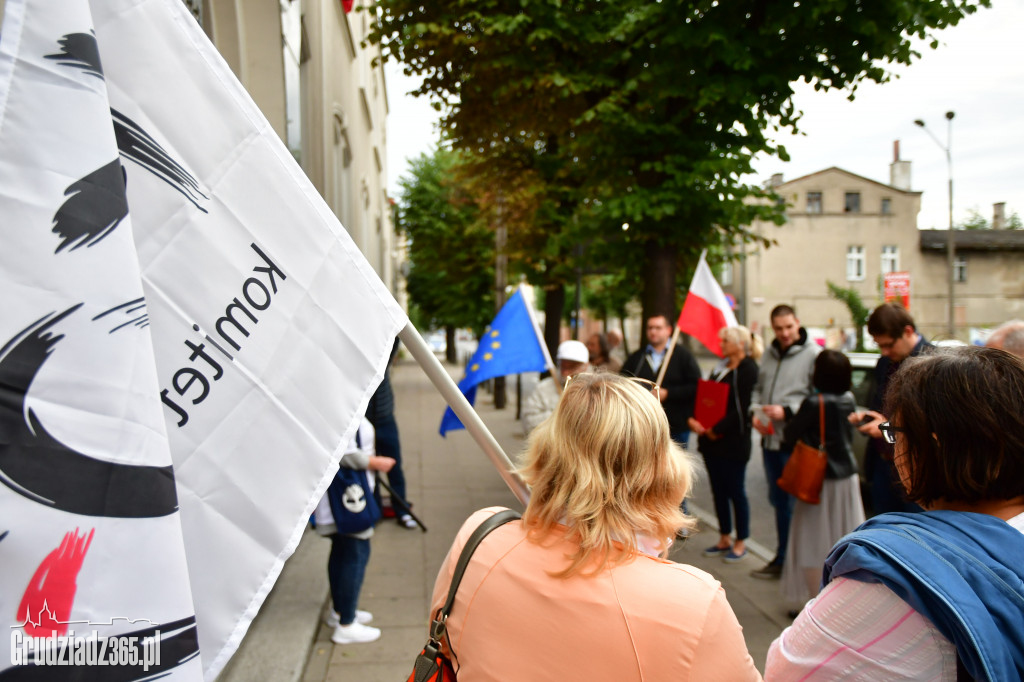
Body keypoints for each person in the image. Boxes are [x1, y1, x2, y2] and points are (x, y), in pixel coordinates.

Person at [429, 373, 763, 680]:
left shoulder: (480, 536)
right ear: (663, 470)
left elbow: (446, 647)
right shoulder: (694, 603)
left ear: (547, 453)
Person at [767, 347, 1024, 680]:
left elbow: (787, 670)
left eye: (895, 434)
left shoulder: (889, 586)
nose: (893, 447)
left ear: (929, 448)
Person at [778, 350, 865, 608]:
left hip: (818, 480)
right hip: (846, 477)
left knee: (812, 540)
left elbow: (790, 435)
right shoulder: (849, 399)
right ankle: (844, 599)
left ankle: (816, 602)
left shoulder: (814, 402)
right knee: (845, 535)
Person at [749, 304, 820, 579]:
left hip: (794, 442)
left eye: (789, 327)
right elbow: (758, 387)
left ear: (797, 323)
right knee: (778, 503)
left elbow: (817, 396)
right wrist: (755, 411)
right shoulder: (768, 353)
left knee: (794, 507)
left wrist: (788, 410)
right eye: (778, 329)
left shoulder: (814, 354)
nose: (784, 333)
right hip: (769, 440)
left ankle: (794, 565)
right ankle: (781, 559)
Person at [313, 418, 396, 644]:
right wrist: (377, 463)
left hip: (339, 496)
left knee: (342, 551)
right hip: (347, 499)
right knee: (356, 553)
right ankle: (346, 624)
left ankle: (341, 611)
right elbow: (346, 453)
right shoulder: (342, 401)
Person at [688, 325, 762, 563]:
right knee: (718, 492)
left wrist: (715, 429)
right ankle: (724, 537)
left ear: (740, 343)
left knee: (735, 492)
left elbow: (741, 409)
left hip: (732, 442)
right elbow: (708, 398)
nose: (721, 345)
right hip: (711, 442)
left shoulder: (748, 368)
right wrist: (696, 420)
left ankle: (741, 541)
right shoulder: (721, 367)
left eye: (726, 341)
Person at [850, 302, 932, 515]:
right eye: (880, 346)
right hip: (883, 464)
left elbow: (933, 424)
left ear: (908, 331)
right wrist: (869, 418)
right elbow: (882, 406)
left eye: (888, 345)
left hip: (918, 470)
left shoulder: (936, 364)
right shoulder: (885, 362)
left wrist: (886, 428)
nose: (885, 352)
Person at [621, 313, 701, 446]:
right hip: (643, 425)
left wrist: (668, 393)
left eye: (658, 328)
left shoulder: (683, 356)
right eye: (650, 328)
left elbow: (695, 386)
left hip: (675, 425)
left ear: (668, 330)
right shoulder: (637, 357)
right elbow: (623, 382)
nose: (653, 331)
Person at [365, 339, 416, 529]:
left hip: (385, 418)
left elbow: (394, 338)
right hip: (364, 422)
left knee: (394, 465)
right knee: (370, 468)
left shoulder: (382, 353)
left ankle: (401, 510)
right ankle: (374, 509)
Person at [521, 339, 590, 434]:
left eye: (572, 367)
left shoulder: (598, 390)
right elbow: (528, 423)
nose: (565, 372)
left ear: (585, 366)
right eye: (563, 366)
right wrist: (559, 414)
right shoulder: (543, 388)